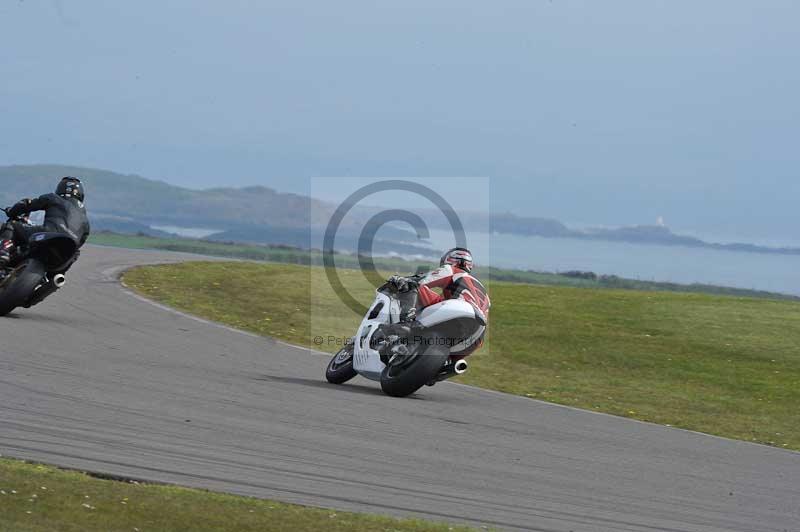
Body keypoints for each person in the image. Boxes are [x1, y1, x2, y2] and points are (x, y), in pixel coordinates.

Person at [386, 247, 491, 354]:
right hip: (475, 339)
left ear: (448, 259)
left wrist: (401, 280)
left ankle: (405, 324)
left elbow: (422, 281)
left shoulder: (452, 270)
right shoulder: (484, 292)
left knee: (412, 286)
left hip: (457, 313)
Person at [0, 177, 90, 268]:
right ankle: (56, 278)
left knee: (11, 226)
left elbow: (27, 204)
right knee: (75, 253)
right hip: (67, 250)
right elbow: (82, 240)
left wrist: (12, 211)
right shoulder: (85, 219)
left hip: (49, 232)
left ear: (60, 189)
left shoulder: (54, 198)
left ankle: (3, 252)